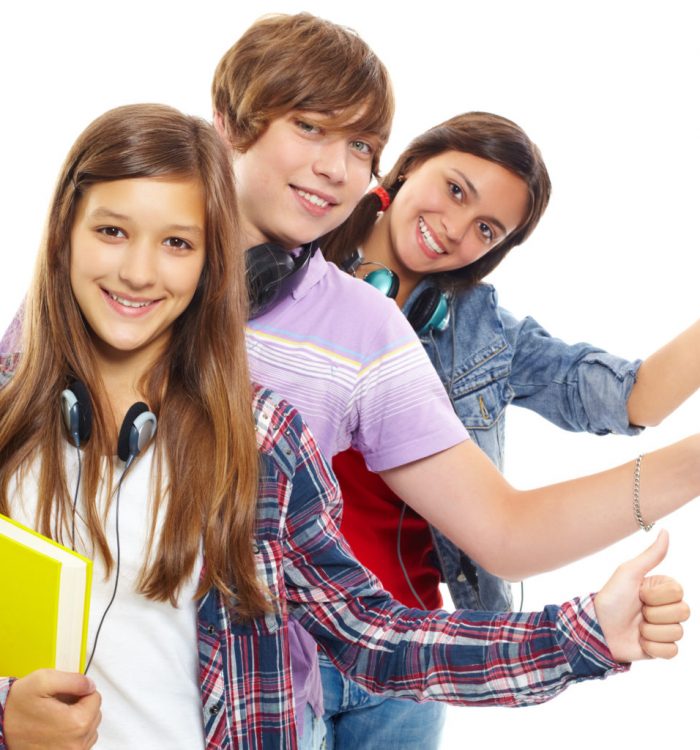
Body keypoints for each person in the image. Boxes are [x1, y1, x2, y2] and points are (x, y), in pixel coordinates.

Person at [2, 12, 700, 749]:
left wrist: (594, 619)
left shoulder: (319, 377)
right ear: (228, 123)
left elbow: (476, 549)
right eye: (310, 126)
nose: (337, 168)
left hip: (287, 682)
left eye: (361, 146)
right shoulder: (93, 292)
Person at [320, 110, 700, 745]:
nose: (454, 229)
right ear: (410, 164)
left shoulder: (483, 333)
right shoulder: (290, 266)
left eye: (486, 229)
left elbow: (635, 398)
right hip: (282, 634)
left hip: (411, 655)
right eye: (456, 189)